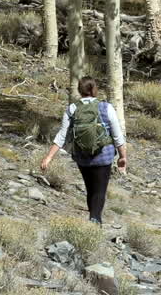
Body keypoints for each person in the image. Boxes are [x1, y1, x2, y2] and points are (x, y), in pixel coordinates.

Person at [40, 77, 128, 225]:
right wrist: (122, 156)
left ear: (79, 91)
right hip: (104, 155)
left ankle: (93, 220)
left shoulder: (72, 109)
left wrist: (48, 157)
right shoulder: (106, 107)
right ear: (95, 90)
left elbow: (62, 135)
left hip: (82, 157)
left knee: (90, 189)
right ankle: (95, 220)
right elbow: (117, 135)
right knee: (99, 190)